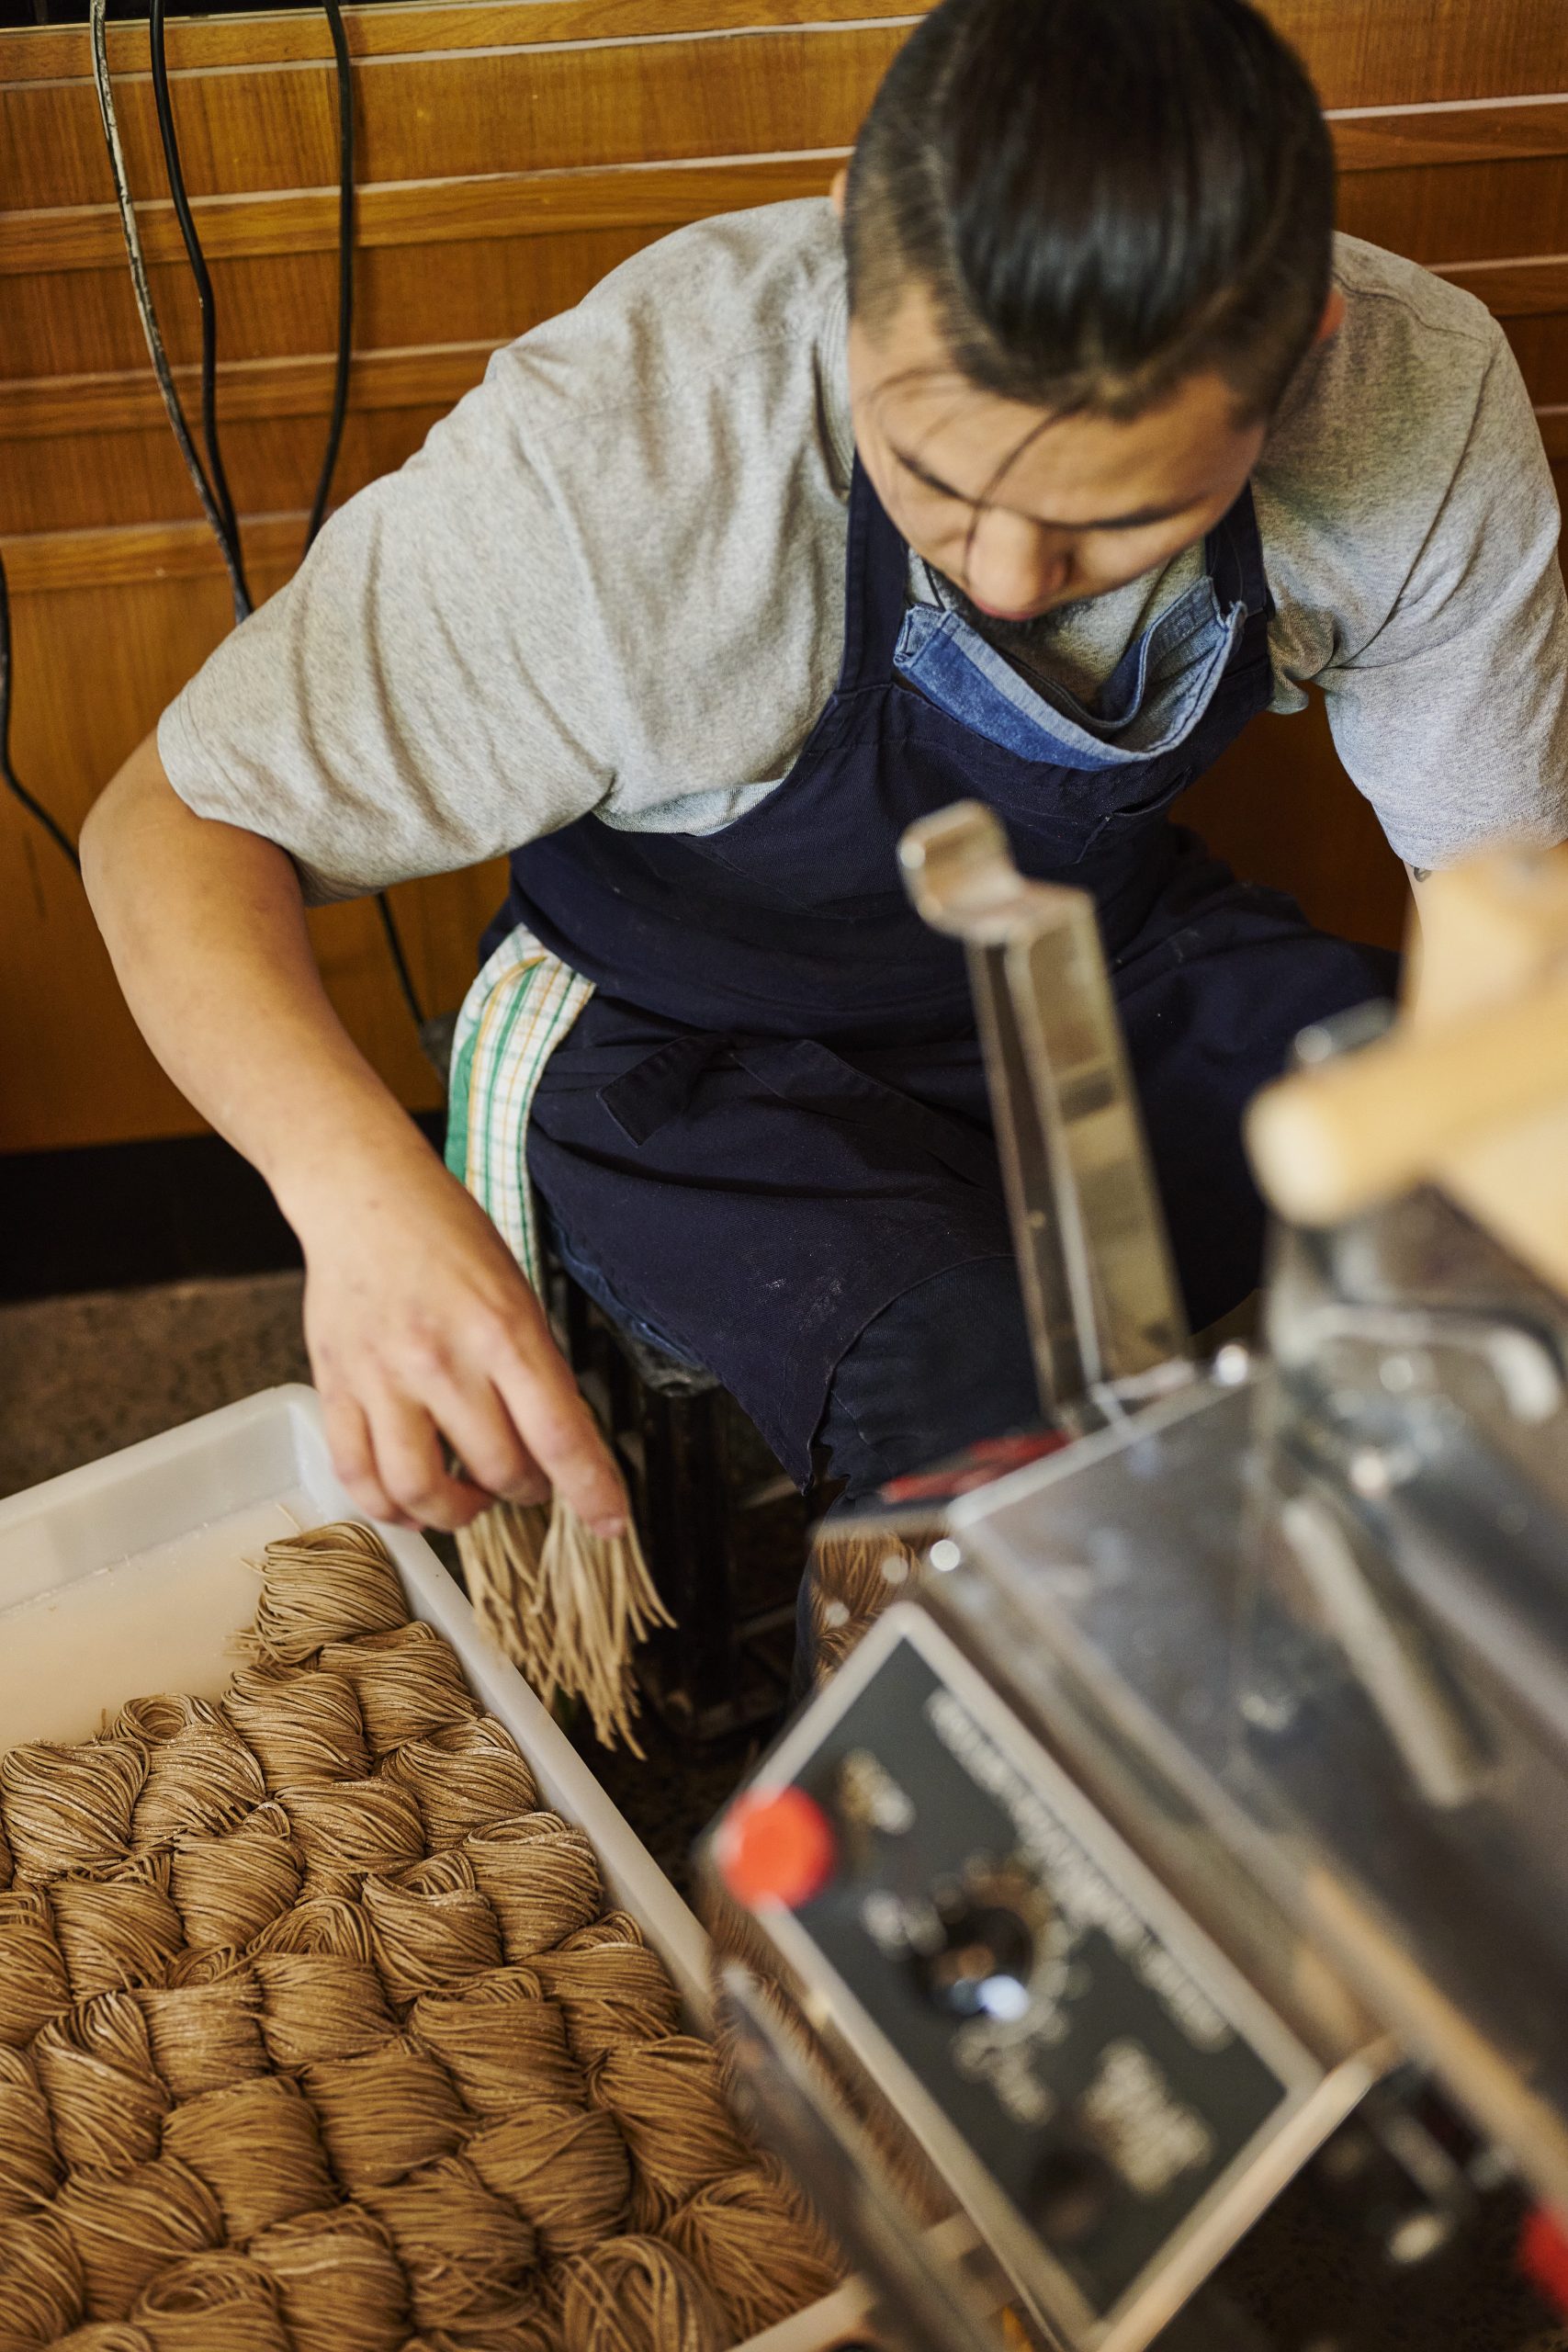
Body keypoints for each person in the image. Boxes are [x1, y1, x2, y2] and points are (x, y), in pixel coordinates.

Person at [84, 0, 1568, 1544]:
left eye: (1113, 521)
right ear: (861, 233)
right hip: (691, 1041)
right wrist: (357, 1196)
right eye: (938, 475)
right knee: (1000, 1466)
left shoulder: (1411, 396)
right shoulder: (636, 451)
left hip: (1087, 957)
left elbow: (1507, 927)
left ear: (1300, 351)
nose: (1002, 580)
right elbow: (168, 823)